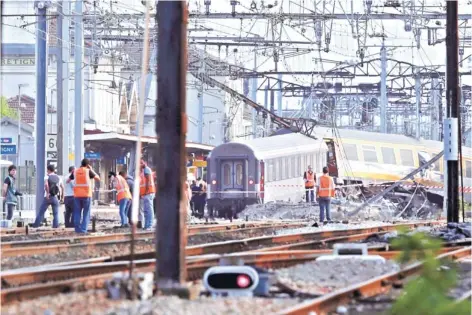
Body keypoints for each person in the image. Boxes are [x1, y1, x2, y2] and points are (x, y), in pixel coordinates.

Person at [68, 158, 100, 233]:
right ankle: (83, 229)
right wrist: (91, 169)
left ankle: (77, 229)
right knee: (86, 212)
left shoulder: (75, 171)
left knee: (77, 212)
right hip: (86, 195)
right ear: (88, 165)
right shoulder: (88, 171)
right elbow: (98, 178)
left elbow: (68, 180)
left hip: (77, 195)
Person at [139, 159, 155, 230]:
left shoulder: (146, 169)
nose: (140, 165)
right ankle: (146, 225)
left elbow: (148, 180)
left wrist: (146, 191)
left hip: (148, 192)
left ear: (144, 163)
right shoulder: (142, 171)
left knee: (149, 210)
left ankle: (150, 225)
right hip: (145, 194)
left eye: (141, 163)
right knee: (146, 210)